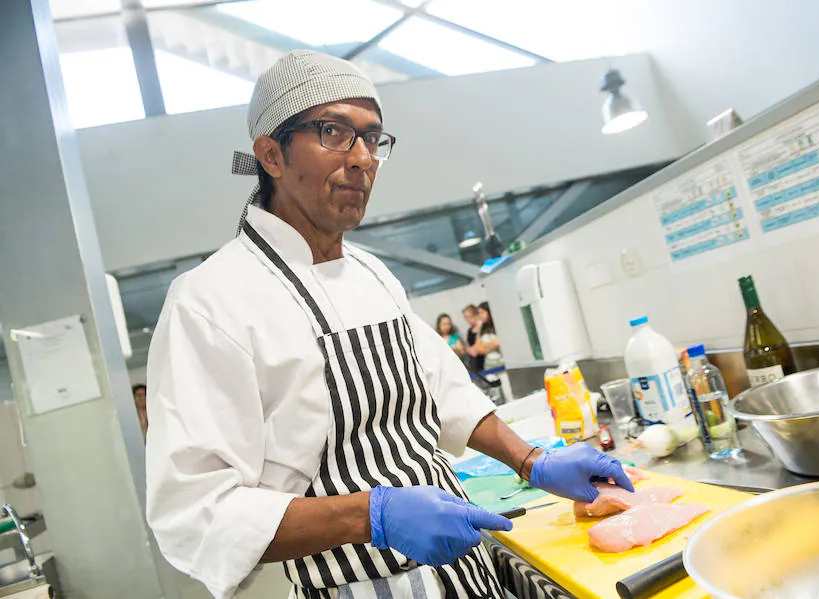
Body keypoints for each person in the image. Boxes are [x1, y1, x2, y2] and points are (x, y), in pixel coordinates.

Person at [144, 50, 633, 599]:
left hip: (465, 573)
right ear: (271, 156)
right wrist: (372, 515)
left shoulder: (373, 275)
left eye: (372, 139)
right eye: (333, 132)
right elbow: (196, 512)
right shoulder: (210, 301)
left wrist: (533, 460)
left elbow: (443, 392)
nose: (361, 158)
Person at [468, 302, 503, 370]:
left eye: (482, 313)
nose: (480, 316)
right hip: (489, 367)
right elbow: (477, 349)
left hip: (502, 365)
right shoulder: (482, 329)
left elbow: (498, 342)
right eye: (478, 313)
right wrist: (489, 346)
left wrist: (483, 345)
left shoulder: (498, 325)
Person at [462, 304, 484, 373]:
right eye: (466, 318)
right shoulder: (470, 330)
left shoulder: (483, 327)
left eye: (470, 317)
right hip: (475, 361)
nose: (468, 320)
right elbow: (468, 345)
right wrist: (468, 349)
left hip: (484, 358)